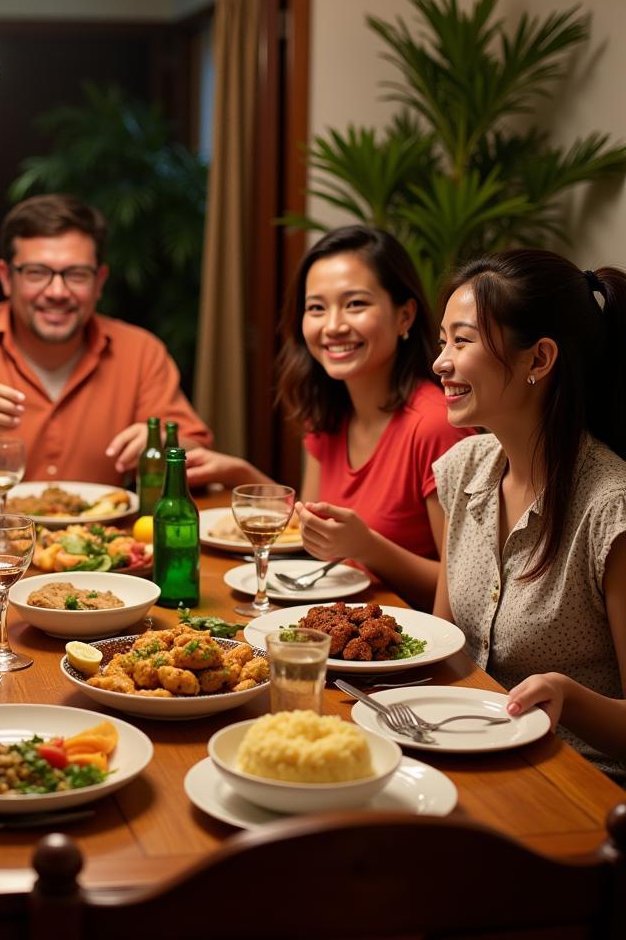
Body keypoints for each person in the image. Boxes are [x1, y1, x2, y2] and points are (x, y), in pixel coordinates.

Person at [187, 226, 472, 609]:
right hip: (335, 623)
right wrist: (240, 474)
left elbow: (465, 591)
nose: (333, 326)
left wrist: (369, 548)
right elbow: (311, 530)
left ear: (404, 316)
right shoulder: (328, 413)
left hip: (405, 645)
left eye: (355, 304)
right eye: (317, 308)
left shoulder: (435, 425)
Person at [432, 250, 626, 776]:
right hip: (463, 750)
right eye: (443, 340)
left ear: (538, 359)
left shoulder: (610, 508)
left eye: (463, 340)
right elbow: (442, 644)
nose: (440, 362)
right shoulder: (461, 469)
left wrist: (570, 698)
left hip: (578, 783)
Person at [0, 193, 212, 497]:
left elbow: (199, 457)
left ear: (99, 282)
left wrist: (162, 445)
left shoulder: (140, 353)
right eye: (37, 273)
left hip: (105, 551)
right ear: (5, 277)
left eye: (76, 274)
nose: (57, 292)